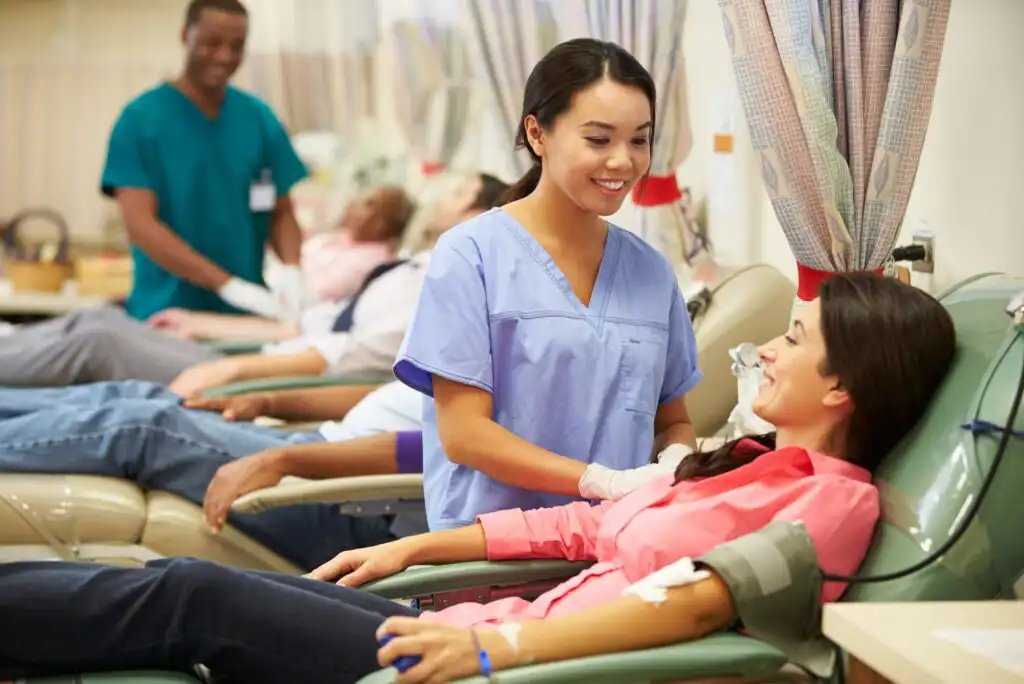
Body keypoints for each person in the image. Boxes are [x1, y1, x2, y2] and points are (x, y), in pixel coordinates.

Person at [0, 270, 958, 683]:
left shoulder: (833, 501)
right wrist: (416, 544)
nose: (764, 350)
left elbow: (697, 611)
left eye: (793, 339)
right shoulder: (739, 464)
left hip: (499, 669)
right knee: (207, 584)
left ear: (841, 385)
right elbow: (573, 531)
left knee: (194, 594)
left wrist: (497, 655)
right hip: (464, 633)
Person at [393, 39, 702, 532]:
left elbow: (672, 421)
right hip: (492, 559)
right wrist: (599, 482)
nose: (623, 162)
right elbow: (465, 435)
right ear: (537, 134)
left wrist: (677, 458)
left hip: (614, 549)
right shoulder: (471, 255)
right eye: (599, 140)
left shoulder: (651, 272)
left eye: (639, 140)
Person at [0, 177, 505, 389]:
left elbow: (349, 355)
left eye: (459, 194)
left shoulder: (436, 288)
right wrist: (205, 322)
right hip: (268, 355)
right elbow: (306, 324)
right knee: (98, 318)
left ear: (481, 216)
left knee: (99, 339)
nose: (443, 200)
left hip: (273, 376)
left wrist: (239, 365)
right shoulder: (412, 267)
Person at [101, 0, 307, 323]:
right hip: (166, 312)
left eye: (236, 46)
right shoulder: (140, 121)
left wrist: (293, 268)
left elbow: (281, 213)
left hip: (247, 317)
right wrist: (225, 284)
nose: (225, 56)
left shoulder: (259, 120)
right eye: (212, 43)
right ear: (186, 36)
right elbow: (140, 225)